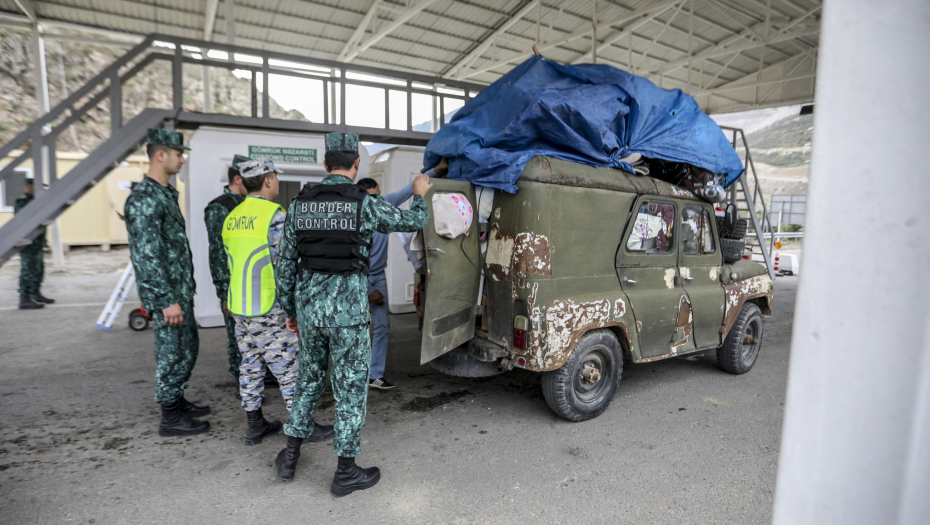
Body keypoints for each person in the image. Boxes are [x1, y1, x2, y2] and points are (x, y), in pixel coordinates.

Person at [274, 132, 431, 496]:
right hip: (348, 312)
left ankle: (290, 457)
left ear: (325, 164)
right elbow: (410, 223)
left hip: (311, 310)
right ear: (356, 164)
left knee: (309, 382)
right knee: (349, 388)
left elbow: (284, 264)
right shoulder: (363, 203)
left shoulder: (300, 205)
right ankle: (345, 472)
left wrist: (291, 309)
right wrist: (419, 195)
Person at [222, 158, 335, 446]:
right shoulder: (274, 215)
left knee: (249, 364)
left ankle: (254, 424)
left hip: (239, 307)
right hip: (269, 307)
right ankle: (303, 426)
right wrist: (294, 308)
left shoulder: (232, 216)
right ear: (268, 180)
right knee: (289, 368)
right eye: (275, 177)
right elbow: (287, 264)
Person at [124, 128, 210, 437]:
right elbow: (146, 257)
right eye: (178, 154)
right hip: (168, 295)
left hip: (179, 290)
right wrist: (164, 300)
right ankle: (169, 417)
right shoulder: (145, 199)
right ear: (161, 155)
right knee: (172, 353)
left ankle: (177, 400)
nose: (182, 159)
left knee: (187, 349)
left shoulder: (163, 194)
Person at [355, 157, 446, 390]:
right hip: (357, 280)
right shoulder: (355, 218)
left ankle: (374, 374)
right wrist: (369, 290)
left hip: (378, 276)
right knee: (356, 328)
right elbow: (349, 262)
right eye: (373, 197)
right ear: (363, 197)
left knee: (383, 326)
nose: (378, 200)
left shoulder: (383, 204)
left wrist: (435, 170)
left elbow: (409, 190)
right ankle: (353, 375)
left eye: (379, 195)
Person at [15, 175, 54, 310]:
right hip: (27, 244)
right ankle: (24, 298)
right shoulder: (23, 201)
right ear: (29, 187)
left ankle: (35, 293)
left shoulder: (37, 201)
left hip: (37, 242)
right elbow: (23, 220)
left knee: (38, 269)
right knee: (28, 270)